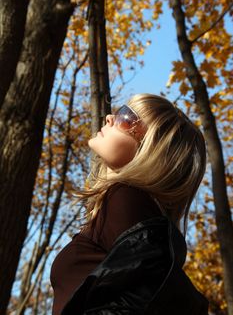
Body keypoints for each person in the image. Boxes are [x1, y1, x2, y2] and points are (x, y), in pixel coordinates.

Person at [51, 93, 209, 314]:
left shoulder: (125, 199)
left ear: (151, 148)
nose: (108, 117)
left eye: (125, 116)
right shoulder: (126, 205)